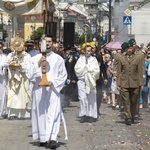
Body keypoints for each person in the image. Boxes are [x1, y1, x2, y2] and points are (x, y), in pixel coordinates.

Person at [26, 35, 67, 149]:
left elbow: (63, 75)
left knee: (53, 113)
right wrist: (39, 63)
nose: (47, 44)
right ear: (40, 44)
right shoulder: (34, 59)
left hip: (52, 90)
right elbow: (29, 75)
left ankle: (53, 138)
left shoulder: (58, 59)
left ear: (52, 43)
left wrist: (52, 82)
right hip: (39, 90)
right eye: (45, 42)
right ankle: (43, 137)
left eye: (49, 41)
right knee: (41, 113)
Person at [116, 42, 144, 125]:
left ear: (133, 49)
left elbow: (140, 71)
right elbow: (119, 72)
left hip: (135, 83)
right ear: (125, 49)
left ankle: (132, 115)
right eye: (128, 48)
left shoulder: (137, 58)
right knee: (126, 101)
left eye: (131, 48)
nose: (129, 50)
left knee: (134, 101)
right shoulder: (121, 58)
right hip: (124, 83)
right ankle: (127, 117)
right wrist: (118, 84)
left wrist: (141, 83)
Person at [5, 36, 31, 119]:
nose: (17, 49)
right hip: (13, 78)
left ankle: (24, 113)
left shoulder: (27, 56)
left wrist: (20, 65)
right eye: (15, 47)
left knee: (22, 95)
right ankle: (13, 113)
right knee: (13, 95)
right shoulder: (10, 55)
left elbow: (28, 67)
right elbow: (5, 64)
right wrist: (11, 63)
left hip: (22, 79)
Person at [74, 43, 100, 123]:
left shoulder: (94, 59)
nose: (88, 52)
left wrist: (88, 69)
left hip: (90, 81)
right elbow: (77, 69)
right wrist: (85, 68)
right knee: (82, 98)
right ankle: (83, 114)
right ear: (84, 51)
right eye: (86, 51)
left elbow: (97, 70)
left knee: (91, 98)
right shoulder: (80, 59)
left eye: (89, 51)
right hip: (82, 80)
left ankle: (91, 115)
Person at [0, 43, 7, 119]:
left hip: (2, 78)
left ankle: (2, 111)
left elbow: (6, 65)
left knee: (2, 95)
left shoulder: (4, 57)